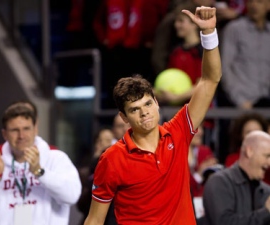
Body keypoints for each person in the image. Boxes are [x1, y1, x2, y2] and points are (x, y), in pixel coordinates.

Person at [84, 6, 221, 224]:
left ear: (156, 103)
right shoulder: (111, 159)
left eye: (148, 103)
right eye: (134, 109)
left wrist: (209, 33)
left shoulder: (179, 132)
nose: (144, 112)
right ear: (124, 117)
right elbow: (94, 220)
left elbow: (209, 80)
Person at [0, 102, 82, 225]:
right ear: (4, 134)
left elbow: (71, 196)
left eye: (26, 128)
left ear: (35, 129)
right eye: (15, 130)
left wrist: (40, 172)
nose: (21, 136)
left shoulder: (55, 159)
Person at [203, 130, 270, 225]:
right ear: (249, 152)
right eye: (267, 156)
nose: (269, 163)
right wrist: (266, 212)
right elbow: (224, 222)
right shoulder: (219, 182)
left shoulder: (266, 191)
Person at [219, 0, 270, 109]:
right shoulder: (234, 29)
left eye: (259, 2)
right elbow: (225, 68)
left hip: (266, 102)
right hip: (241, 104)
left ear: (268, 5)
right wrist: (240, 100)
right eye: (250, 1)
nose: (254, 5)